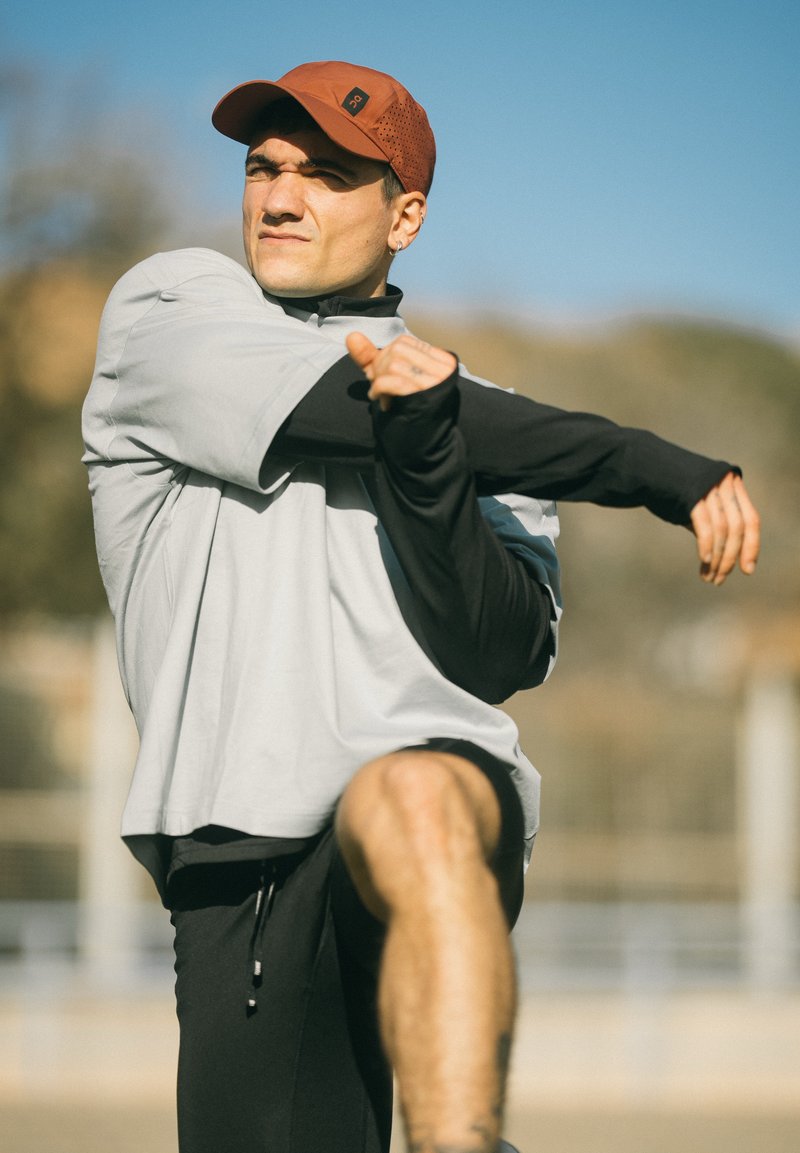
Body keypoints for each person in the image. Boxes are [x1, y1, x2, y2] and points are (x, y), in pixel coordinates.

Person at [82, 61, 760, 1153]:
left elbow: (488, 649)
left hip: (433, 811)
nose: (280, 196)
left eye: (330, 175)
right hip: (240, 850)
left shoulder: (488, 425)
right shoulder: (169, 315)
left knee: (415, 796)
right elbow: (344, 406)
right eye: (264, 167)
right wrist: (644, 464)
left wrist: (434, 455)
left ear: (404, 215)